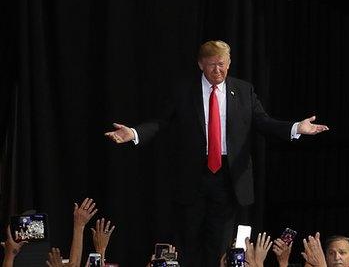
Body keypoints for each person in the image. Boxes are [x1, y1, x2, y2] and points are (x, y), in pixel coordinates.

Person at [102, 40, 328, 267]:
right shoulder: (183, 90)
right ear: (200, 64)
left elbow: (263, 122)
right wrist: (133, 133)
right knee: (188, 241)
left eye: (221, 64)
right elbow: (161, 122)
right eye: (211, 65)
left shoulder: (243, 90)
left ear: (229, 63)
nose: (217, 70)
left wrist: (296, 128)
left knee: (220, 244)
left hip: (227, 177)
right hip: (193, 176)